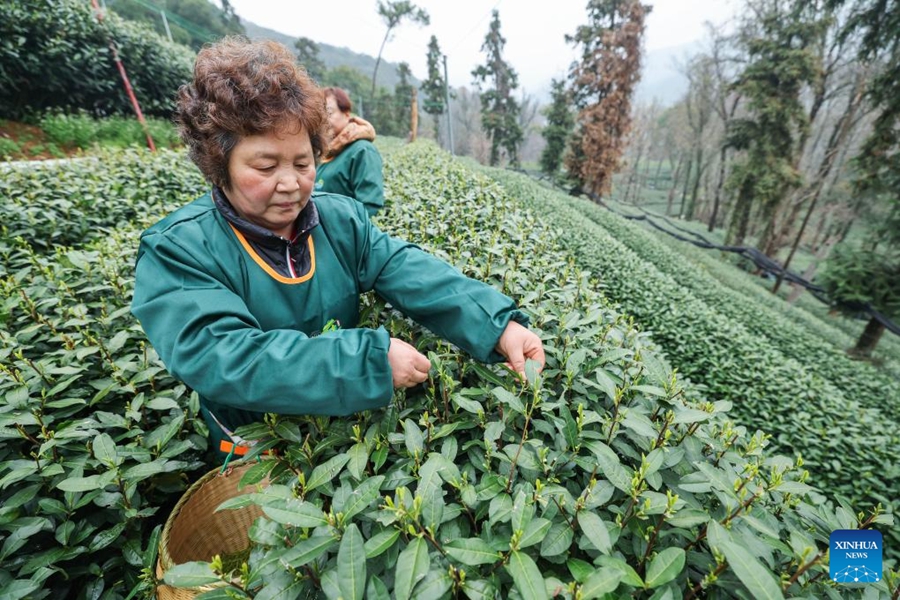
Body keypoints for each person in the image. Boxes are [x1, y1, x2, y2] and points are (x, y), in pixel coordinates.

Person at [130, 38, 544, 458]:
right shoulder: (179, 250)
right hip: (255, 445)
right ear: (219, 166)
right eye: (266, 166)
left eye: (303, 163)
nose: (290, 184)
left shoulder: (339, 219)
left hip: (342, 433)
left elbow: (404, 267)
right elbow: (225, 357)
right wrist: (364, 362)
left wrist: (497, 324)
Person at [315, 87, 384, 216]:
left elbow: (370, 207)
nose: (324, 120)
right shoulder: (323, 152)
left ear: (347, 114)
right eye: (320, 114)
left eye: (329, 113)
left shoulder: (362, 151)